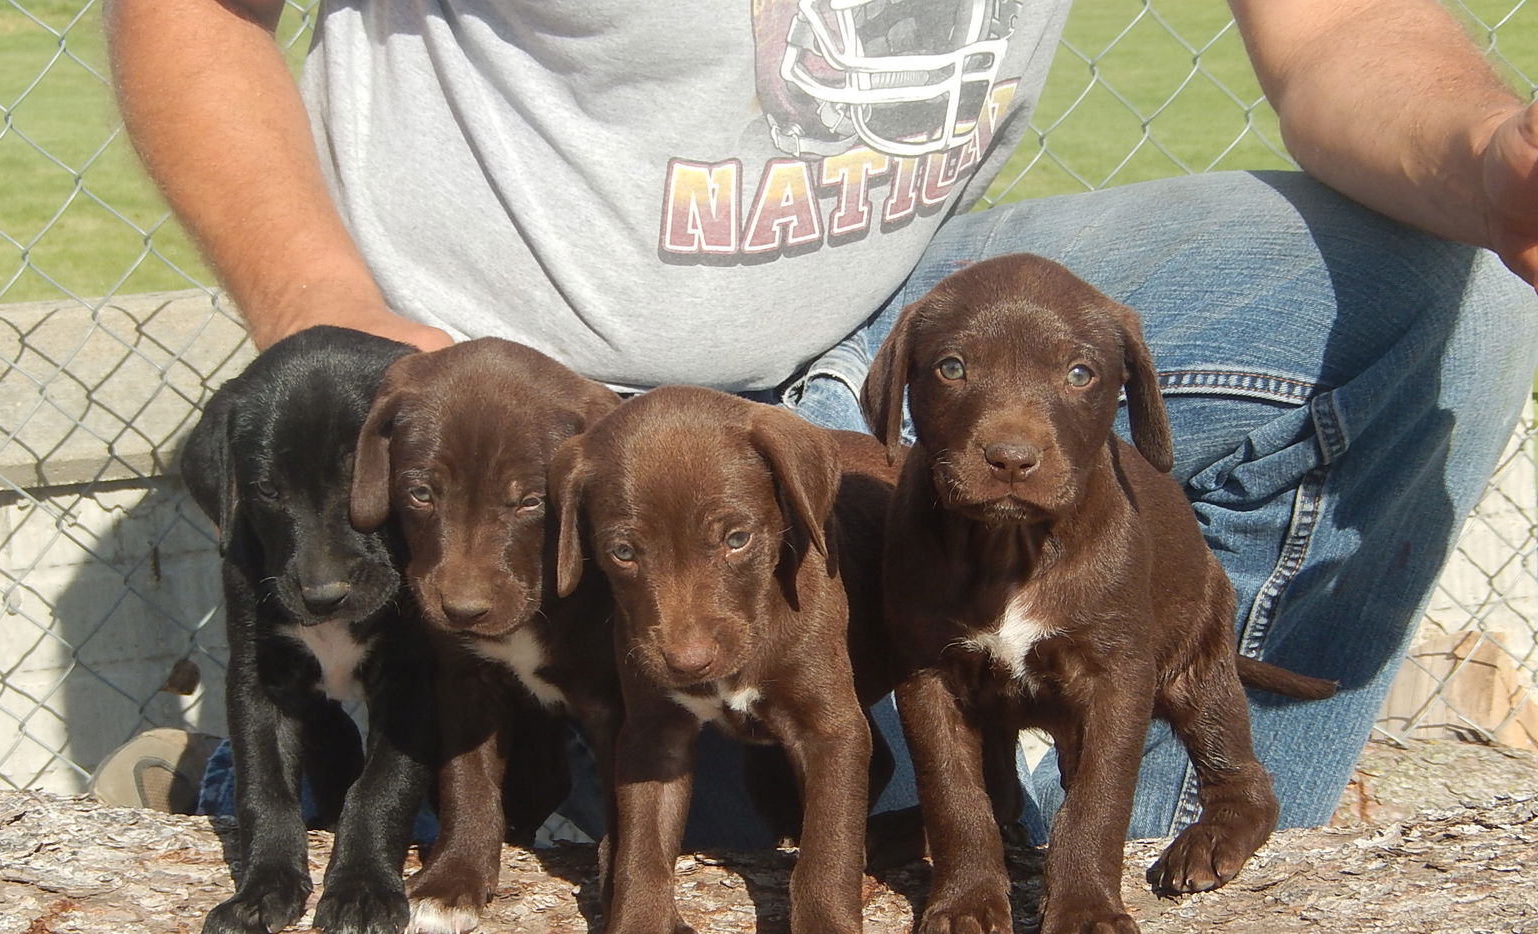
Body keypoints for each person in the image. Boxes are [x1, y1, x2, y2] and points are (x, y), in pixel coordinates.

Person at [97, 0, 1538, 845]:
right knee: (606, 850)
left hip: (886, 347)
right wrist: (329, 319)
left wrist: (1496, 160)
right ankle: (308, 761)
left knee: (1442, 290)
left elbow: (1345, 24)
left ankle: (1164, 864)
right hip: (531, 430)